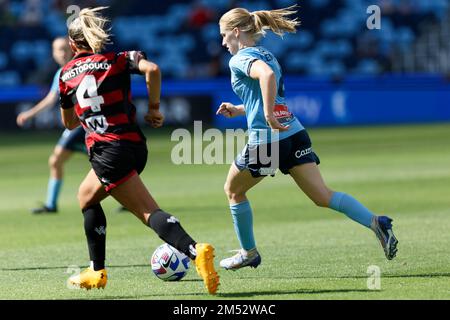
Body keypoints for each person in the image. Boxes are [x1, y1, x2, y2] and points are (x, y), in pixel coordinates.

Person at [216, 6, 398, 270]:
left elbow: (265, 78)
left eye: (224, 35)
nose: (222, 42)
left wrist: (266, 114)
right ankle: (376, 222)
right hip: (294, 133)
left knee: (233, 191)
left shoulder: (239, 59)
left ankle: (249, 252)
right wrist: (240, 109)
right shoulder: (267, 54)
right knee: (323, 196)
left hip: (268, 141)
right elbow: (269, 92)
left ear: (236, 32)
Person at [60, 7, 219, 294]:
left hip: (107, 150)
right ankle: (97, 271)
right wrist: (154, 108)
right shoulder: (119, 59)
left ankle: (196, 250)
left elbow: (70, 122)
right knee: (86, 196)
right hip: (133, 144)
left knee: (148, 212)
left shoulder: (66, 74)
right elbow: (153, 69)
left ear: (72, 45)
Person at [16, 37, 86, 214]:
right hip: (82, 125)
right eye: (58, 50)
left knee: (57, 160)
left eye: (64, 49)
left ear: (72, 49)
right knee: (58, 161)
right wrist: (29, 114)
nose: (62, 53)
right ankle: (51, 204)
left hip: (83, 124)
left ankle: (51, 204)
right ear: (53, 53)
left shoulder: (79, 68)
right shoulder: (61, 72)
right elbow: (51, 98)